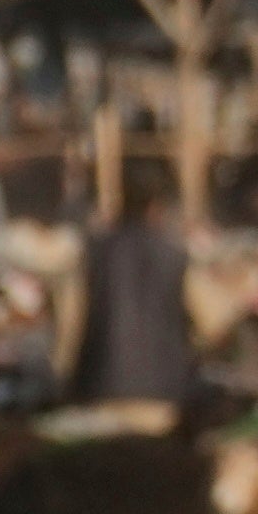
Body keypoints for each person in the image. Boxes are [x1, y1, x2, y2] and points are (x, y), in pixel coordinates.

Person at [54, 150, 205, 416]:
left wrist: (64, 383)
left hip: (99, 395)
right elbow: (207, 324)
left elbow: (69, 326)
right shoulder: (176, 256)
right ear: (158, 205)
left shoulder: (93, 251)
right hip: (164, 398)